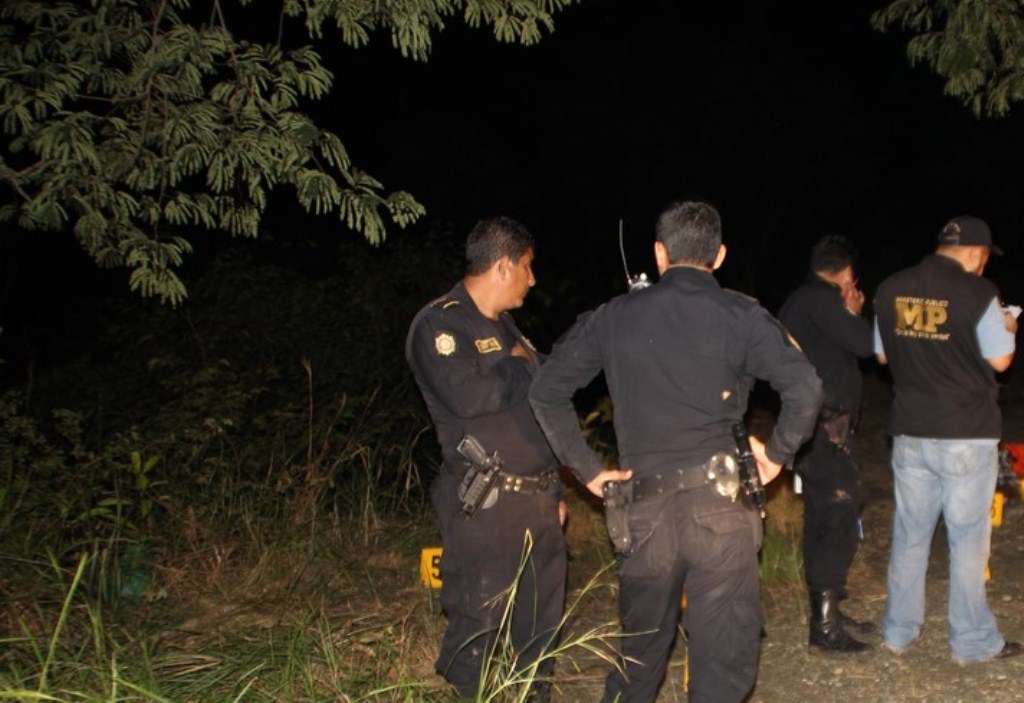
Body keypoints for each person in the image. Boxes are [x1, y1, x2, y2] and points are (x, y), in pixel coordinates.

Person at [529, 200, 823, 703]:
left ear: (660, 253)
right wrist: (775, 456)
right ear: (721, 254)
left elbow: (545, 391)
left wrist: (590, 472)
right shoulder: (742, 313)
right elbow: (806, 387)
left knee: (638, 666)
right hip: (722, 509)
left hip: (644, 517)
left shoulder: (613, 316)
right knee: (721, 672)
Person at [405, 217, 566, 701]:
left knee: (540, 634)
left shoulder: (507, 325)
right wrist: (517, 364)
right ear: (503, 265)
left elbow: (540, 408)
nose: (532, 279)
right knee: (479, 630)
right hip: (487, 505)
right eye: (527, 267)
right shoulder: (440, 323)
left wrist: (555, 492)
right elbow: (470, 396)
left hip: (537, 505)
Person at [874, 214, 1022, 664]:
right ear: (976, 254)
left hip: (911, 431)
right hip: (965, 434)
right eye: (984, 259)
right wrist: (1008, 327)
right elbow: (1000, 361)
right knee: (968, 539)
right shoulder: (980, 294)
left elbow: (881, 354)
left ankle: (898, 631)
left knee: (910, 534)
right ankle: (971, 641)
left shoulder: (890, 288)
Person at [778, 235, 875, 653]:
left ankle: (827, 610)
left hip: (813, 428)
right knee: (840, 510)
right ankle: (824, 626)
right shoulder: (822, 300)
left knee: (822, 514)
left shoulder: (799, 301)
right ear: (846, 273)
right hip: (822, 429)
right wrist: (852, 312)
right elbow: (865, 344)